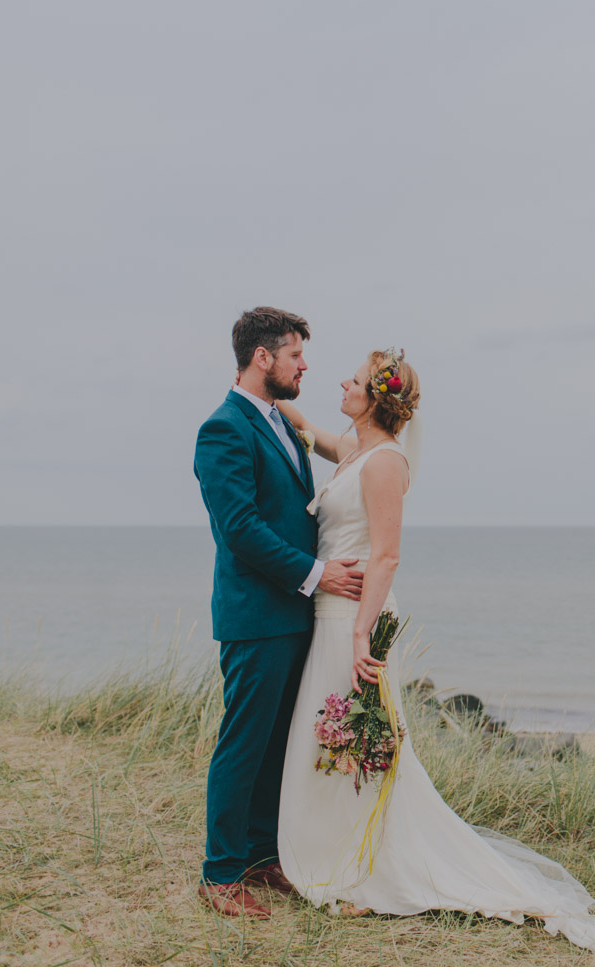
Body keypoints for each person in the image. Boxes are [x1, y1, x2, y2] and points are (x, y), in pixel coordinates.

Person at [273, 350, 595, 954]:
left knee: (361, 743)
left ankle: (365, 870)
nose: (342, 384)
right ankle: (342, 855)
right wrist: (263, 389)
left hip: (357, 619)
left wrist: (360, 636)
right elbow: (311, 433)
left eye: (353, 379)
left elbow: (387, 555)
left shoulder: (385, 464)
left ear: (375, 397)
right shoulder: (358, 452)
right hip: (333, 614)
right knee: (331, 740)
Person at [192, 307, 365, 919]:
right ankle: (219, 874)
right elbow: (240, 529)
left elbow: (298, 512)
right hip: (256, 616)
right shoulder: (223, 429)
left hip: (294, 616)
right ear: (262, 357)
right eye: (295, 354)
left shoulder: (280, 423)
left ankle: (260, 856)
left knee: (274, 746)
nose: (304, 364)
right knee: (242, 743)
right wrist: (319, 575)